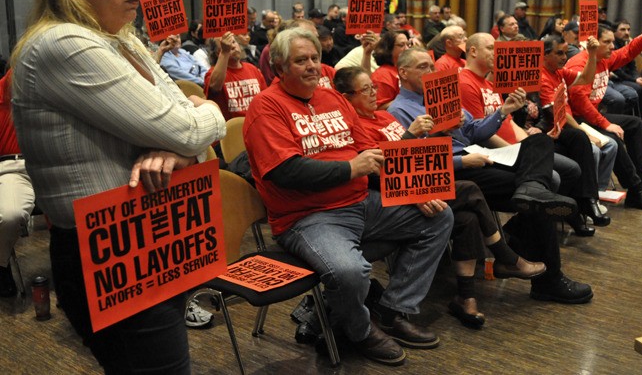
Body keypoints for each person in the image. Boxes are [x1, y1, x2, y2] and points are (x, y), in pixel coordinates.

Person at [10, 0, 226, 373]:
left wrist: (183, 145)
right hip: (107, 250)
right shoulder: (64, 43)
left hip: (153, 235)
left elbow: (187, 121)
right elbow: (194, 121)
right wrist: (198, 126)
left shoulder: (121, 40)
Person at [243, 27, 453, 366]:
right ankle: (360, 331)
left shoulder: (333, 99)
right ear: (280, 67)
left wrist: (409, 192)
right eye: (301, 60)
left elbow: (371, 153)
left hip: (360, 203)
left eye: (315, 58)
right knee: (349, 272)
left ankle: (392, 310)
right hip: (308, 218)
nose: (312, 66)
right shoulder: (266, 107)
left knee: (438, 216)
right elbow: (287, 172)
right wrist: (351, 169)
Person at [334, 66, 546, 328]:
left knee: (467, 216)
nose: (373, 92)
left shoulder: (383, 117)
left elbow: (422, 156)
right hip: (398, 191)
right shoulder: (359, 125)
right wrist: (411, 135)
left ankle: (466, 296)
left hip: (423, 180)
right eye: (365, 89)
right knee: (469, 190)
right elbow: (381, 169)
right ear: (345, 97)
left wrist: (436, 134)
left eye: (373, 87)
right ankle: (505, 256)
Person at [389, 48, 593, 304]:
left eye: (432, 66)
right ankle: (548, 279)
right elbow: (413, 165)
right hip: (454, 172)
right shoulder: (398, 111)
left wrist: (503, 111)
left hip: (476, 155)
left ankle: (528, 196)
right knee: (546, 190)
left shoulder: (440, 94)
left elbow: (475, 130)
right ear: (403, 72)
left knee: (539, 144)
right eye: (423, 67)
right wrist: (462, 160)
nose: (431, 72)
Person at [459, 33, 603, 236]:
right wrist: (520, 150)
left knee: (571, 166)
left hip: (515, 146)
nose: (497, 54)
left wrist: (529, 144)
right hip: (498, 151)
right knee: (555, 176)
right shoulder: (465, 83)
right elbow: (479, 133)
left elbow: (509, 122)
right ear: (472, 51)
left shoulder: (488, 82)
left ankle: (555, 219)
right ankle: (534, 228)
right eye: (491, 49)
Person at [564, 22, 642, 212]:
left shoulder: (605, 58)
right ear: (593, 43)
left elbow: (628, 51)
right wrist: (606, 124)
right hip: (575, 120)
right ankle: (635, 190)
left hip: (591, 115)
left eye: (613, 41)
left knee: (635, 124)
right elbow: (580, 103)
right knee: (613, 138)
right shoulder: (579, 63)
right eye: (607, 42)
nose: (613, 46)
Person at [537, 35, 617, 223]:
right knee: (586, 142)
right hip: (552, 130)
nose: (565, 57)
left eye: (566, 53)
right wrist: (586, 133)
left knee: (610, 143)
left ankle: (590, 200)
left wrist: (591, 54)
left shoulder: (559, 72)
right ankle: (588, 201)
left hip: (564, 127)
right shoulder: (542, 77)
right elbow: (558, 115)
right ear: (545, 55)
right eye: (559, 53)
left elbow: (586, 77)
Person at [0, 69, 35, 297]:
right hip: (13, 168)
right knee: (10, 215)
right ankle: (1, 265)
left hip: (50, 164)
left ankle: (75, 277)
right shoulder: (5, 90)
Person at [204, 32, 267, 120]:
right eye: (225, 46)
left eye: (233, 42)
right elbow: (215, 86)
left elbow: (265, 100)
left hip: (257, 124)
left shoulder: (253, 69)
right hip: (233, 130)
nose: (233, 47)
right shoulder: (213, 73)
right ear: (218, 53)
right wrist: (225, 52)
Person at [369, 30, 410, 109]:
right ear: (389, 48)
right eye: (402, 45)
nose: (407, 49)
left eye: (408, 44)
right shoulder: (382, 75)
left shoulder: (408, 68)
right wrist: (409, 100)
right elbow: (379, 108)